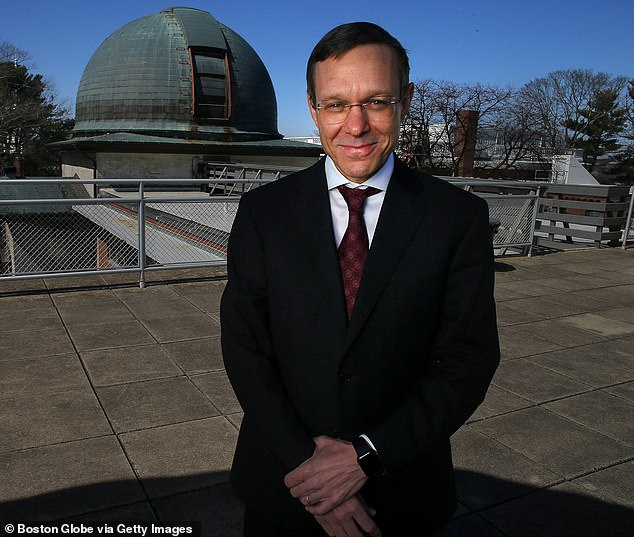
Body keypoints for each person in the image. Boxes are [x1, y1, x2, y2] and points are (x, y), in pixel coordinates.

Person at [220, 22, 500, 537]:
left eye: (376, 101)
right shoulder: (263, 213)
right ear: (313, 109)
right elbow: (246, 350)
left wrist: (367, 456)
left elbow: (467, 361)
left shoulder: (457, 218)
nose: (356, 125)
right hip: (284, 486)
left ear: (405, 101)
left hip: (404, 492)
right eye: (335, 104)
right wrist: (310, 470)